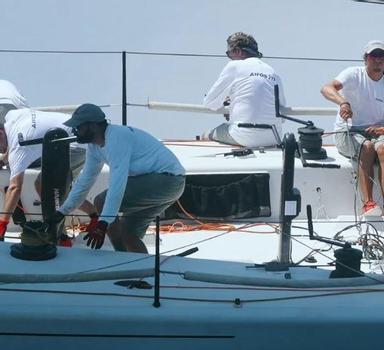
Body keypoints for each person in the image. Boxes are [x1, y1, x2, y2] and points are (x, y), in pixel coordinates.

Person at [54, 104, 186, 253]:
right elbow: (84, 181)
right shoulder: (94, 147)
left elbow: (118, 182)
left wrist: (103, 223)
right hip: (168, 184)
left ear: (93, 126)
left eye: (79, 127)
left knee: (100, 201)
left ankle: (120, 256)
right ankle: (144, 270)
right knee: (128, 235)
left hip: (167, 181)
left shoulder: (116, 138)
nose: (75, 131)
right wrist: (61, 212)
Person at [321, 40, 384, 217]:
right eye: (374, 56)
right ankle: (368, 203)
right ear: (366, 59)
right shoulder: (353, 74)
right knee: (367, 147)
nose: (378, 60)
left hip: (375, 132)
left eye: (382, 56)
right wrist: (343, 103)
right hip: (347, 132)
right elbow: (326, 88)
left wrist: (383, 130)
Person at [0, 108, 97, 241]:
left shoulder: (19, 147)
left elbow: (15, 188)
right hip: (74, 136)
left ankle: (60, 235)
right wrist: (4, 160)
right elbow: (10, 142)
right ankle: (94, 215)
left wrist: (2, 224)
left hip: (77, 145)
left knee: (48, 187)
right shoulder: (11, 117)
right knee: (58, 188)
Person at [203, 32, 285, 148]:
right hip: (273, 138)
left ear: (238, 51)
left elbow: (210, 103)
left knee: (206, 135)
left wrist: (230, 105)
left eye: (229, 53)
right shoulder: (273, 73)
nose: (229, 58)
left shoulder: (234, 66)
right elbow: (281, 114)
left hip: (243, 136)